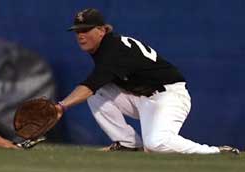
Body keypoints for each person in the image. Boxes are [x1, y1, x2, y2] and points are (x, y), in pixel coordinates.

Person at [54, 8, 239, 154]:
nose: (80, 35)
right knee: (97, 94)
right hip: (143, 97)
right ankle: (128, 144)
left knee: (156, 144)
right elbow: (94, 87)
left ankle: (214, 152)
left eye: (86, 29)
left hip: (168, 96)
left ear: (102, 30)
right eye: (77, 31)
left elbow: (90, 84)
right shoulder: (106, 47)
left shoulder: (113, 50)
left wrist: (61, 106)